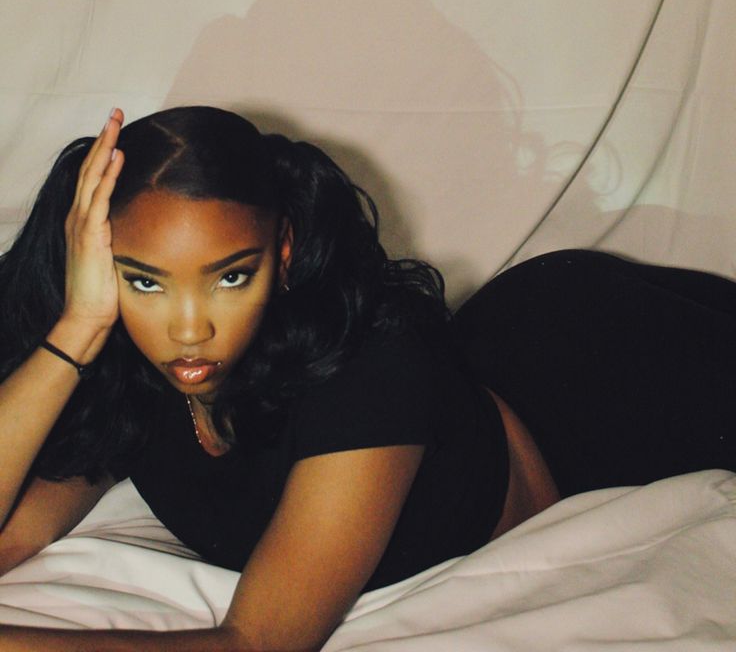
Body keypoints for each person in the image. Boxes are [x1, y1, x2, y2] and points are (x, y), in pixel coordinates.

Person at [0, 107, 734, 652]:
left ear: (282, 253)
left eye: (230, 276)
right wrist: (78, 328)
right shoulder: (135, 369)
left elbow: (255, 644)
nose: (190, 329)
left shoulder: (368, 370)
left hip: (603, 383)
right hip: (492, 352)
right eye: (145, 281)